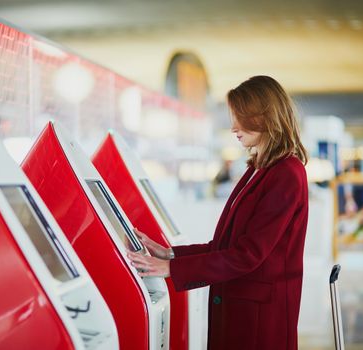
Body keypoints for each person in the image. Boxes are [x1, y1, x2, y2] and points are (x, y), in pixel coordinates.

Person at [128, 75, 309, 350]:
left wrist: (171, 269)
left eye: (241, 118)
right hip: (241, 308)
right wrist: (172, 253)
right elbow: (226, 245)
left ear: (265, 116)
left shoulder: (286, 174)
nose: (234, 127)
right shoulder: (258, 169)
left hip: (259, 319)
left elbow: (248, 254)